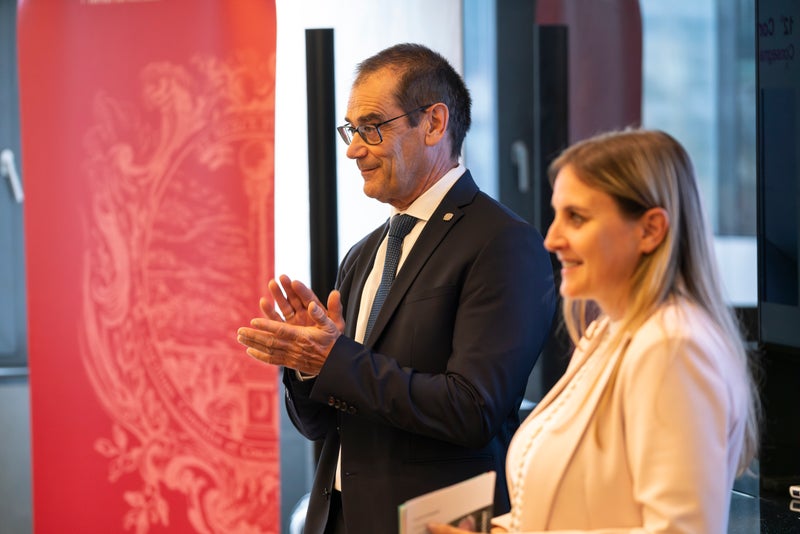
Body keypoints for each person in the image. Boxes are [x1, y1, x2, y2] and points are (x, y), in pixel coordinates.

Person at [236, 43, 556, 533]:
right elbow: (323, 426)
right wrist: (307, 367)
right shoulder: (364, 252)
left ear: (434, 123)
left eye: (372, 127)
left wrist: (334, 359)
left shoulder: (502, 242)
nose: (353, 149)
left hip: (432, 522)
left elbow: (473, 410)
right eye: (351, 130)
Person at [429, 129, 761, 534]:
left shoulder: (673, 346)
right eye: (557, 215)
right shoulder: (607, 333)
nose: (552, 239)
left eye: (577, 218)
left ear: (650, 230)